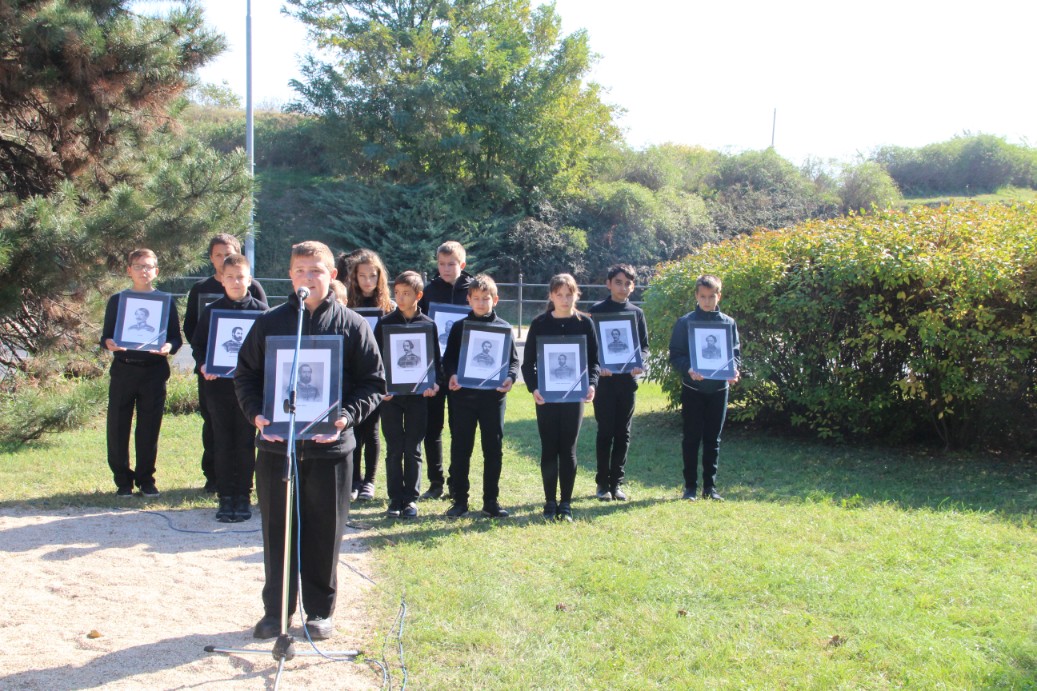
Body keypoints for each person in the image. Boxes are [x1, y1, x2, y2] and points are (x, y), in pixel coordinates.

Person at [235, 240, 385, 641]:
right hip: (276, 448)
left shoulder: (353, 325)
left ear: (331, 275)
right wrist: (256, 414)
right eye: (300, 271)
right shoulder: (269, 323)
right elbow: (246, 375)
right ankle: (276, 611)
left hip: (330, 450)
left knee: (323, 532)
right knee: (277, 532)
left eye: (316, 271)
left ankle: (319, 611)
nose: (307, 278)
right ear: (290, 276)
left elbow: (373, 382)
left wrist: (346, 416)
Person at [184, 234, 268, 494]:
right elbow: (198, 344)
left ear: (249, 279)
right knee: (219, 436)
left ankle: (244, 487)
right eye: (230, 277)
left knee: (245, 437)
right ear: (222, 280)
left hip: (249, 387)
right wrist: (204, 365)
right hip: (217, 385)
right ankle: (222, 488)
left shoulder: (262, 313)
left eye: (240, 277)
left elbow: (268, 349)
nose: (235, 282)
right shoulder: (212, 310)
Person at [100, 249, 182, 498]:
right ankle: (122, 481)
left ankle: (146, 479)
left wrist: (168, 347)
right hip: (124, 369)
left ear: (156, 271)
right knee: (118, 426)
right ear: (129, 270)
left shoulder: (165, 302)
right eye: (138, 266)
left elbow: (175, 338)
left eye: (148, 266)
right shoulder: (118, 300)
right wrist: (109, 343)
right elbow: (106, 336)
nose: (143, 271)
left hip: (154, 372)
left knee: (149, 427)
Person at [521, 273, 599, 522]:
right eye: (559, 294)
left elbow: (594, 362)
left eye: (569, 294)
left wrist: (592, 384)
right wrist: (534, 388)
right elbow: (528, 364)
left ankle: (565, 503)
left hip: (574, 398)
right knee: (549, 448)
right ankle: (549, 502)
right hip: (546, 397)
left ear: (576, 295)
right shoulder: (539, 323)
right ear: (551, 296)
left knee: (568, 449)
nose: (565, 299)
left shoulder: (585, 324)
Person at [443, 274, 518, 518]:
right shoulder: (459, 327)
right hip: (463, 399)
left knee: (493, 450)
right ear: (468, 299)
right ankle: (460, 501)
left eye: (486, 298)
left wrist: (510, 377)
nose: (481, 303)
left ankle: (491, 501)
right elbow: (448, 360)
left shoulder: (504, 328)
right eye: (476, 298)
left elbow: (513, 362)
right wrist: (452, 375)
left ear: (495, 300)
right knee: (461, 449)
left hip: (493, 399)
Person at [374, 271, 442, 519]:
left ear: (418, 296)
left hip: (418, 397)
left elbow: (435, 362)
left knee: (413, 447)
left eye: (406, 294)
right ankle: (395, 499)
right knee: (394, 449)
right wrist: (380, 387)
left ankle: (411, 499)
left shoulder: (428, 324)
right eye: (397, 293)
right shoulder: (385, 323)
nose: (400, 298)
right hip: (391, 398)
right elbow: (375, 361)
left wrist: (434, 384)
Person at [668, 274, 741, 502]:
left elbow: (735, 354)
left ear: (719, 296)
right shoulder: (685, 322)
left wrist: (734, 370)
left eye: (711, 296)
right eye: (703, 297)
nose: (707, 301)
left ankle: (710, 487)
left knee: (713, 439)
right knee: (691, 438)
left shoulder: (728, 323)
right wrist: (689, 368)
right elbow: (675, 355)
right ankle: (690, 487)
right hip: (693, 390)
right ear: (696, 296)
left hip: (719, 390)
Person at [416, 241, 474, 500]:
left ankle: (456, 482)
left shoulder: (474, 290)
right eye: (441, 264)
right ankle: (436, 481)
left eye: (451, 264)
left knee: (460, 429)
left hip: (463, 370)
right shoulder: (429, 291)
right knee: (433, 428)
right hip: (435, 369)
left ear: (462, 264)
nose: (446, 268)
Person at [589, 263, 650, 502]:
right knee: (605, 432)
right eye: (618, 282)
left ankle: (617, 483)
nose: (623, 287)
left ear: (632, 287)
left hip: (627, 382)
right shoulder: (597, 310)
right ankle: (602, 484)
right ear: (608, 284)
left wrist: (640, 362)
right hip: (604, 383)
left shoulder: (637, 313)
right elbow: (590, 346)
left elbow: (644, 347)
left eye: (627, 283)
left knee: (623, 433)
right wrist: (598, 365)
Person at [345, 249, 394, 502]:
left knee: (372, 431)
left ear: (379, 277)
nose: (367, 281)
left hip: (376, 377)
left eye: (372, 276)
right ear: (354, 277)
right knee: (353, 429)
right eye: (362, 276)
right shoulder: (346, 305)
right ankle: (354, 480)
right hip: (352, 375)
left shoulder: (388, 308)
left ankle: (369, 482)